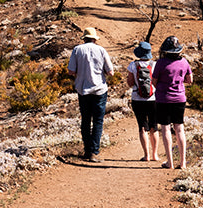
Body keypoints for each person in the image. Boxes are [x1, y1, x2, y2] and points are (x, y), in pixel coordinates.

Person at [66, 27, 115, 162]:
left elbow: (70, 71)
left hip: (83, 90)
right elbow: (111, 72)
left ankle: (87, 150)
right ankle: (94, 151)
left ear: (84, 38)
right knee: (98, 121)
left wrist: (79, 74)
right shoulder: (101, 50)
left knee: (86, 120)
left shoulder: (77, 50)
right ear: (95, 39)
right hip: (99, 90)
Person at [152, 35, 193, 169]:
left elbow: (154, 81)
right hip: (180, 99)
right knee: (180, 129)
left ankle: (170, 162)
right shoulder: (184, 62)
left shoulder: (160, 63)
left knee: (166, 129)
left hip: (163, 99)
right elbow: (189, 80)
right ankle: (182, 163)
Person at [125, 40, 159, 162]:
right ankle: (155, 155)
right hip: (153, 98)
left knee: (142, 126)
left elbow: (130, 83)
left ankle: (147, 155)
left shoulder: (132, 66)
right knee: (154, 126)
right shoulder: (155, 65)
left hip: (137, 99)